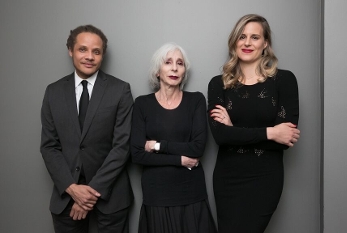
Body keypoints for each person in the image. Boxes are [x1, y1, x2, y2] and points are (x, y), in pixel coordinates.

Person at [208, 14, 300, 232]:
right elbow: (221, 136)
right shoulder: (219, 84)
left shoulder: (284, 81)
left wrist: (234, 130)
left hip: (265, 179)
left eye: (255, 37)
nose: (247, 43)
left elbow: (284, 140)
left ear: (265, 43)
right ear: (234, 42)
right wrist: (270, 132)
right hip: (228, 178)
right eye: (242, 36)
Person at [40, 25, 134, 233]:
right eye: (83, 49)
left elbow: (122, 147)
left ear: (102, 55)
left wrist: (88, 195)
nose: (89, 56)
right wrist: (72, 189)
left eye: (96, 51)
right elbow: (49, 147)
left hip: (111, 197)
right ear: (71, 51)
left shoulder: (120, 90)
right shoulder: (53, 92)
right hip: (66, 196)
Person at [131, 43, 217, 233]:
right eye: (168, 62)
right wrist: (179, 160)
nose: (174, 68)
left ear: (184, 71)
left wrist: (157, 146)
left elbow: (197, 149)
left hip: (191, 193)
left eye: (180, 63)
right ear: (157, 71)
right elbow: (137, 155)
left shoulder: (196, 100)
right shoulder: (142, 104)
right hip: (157, 194)